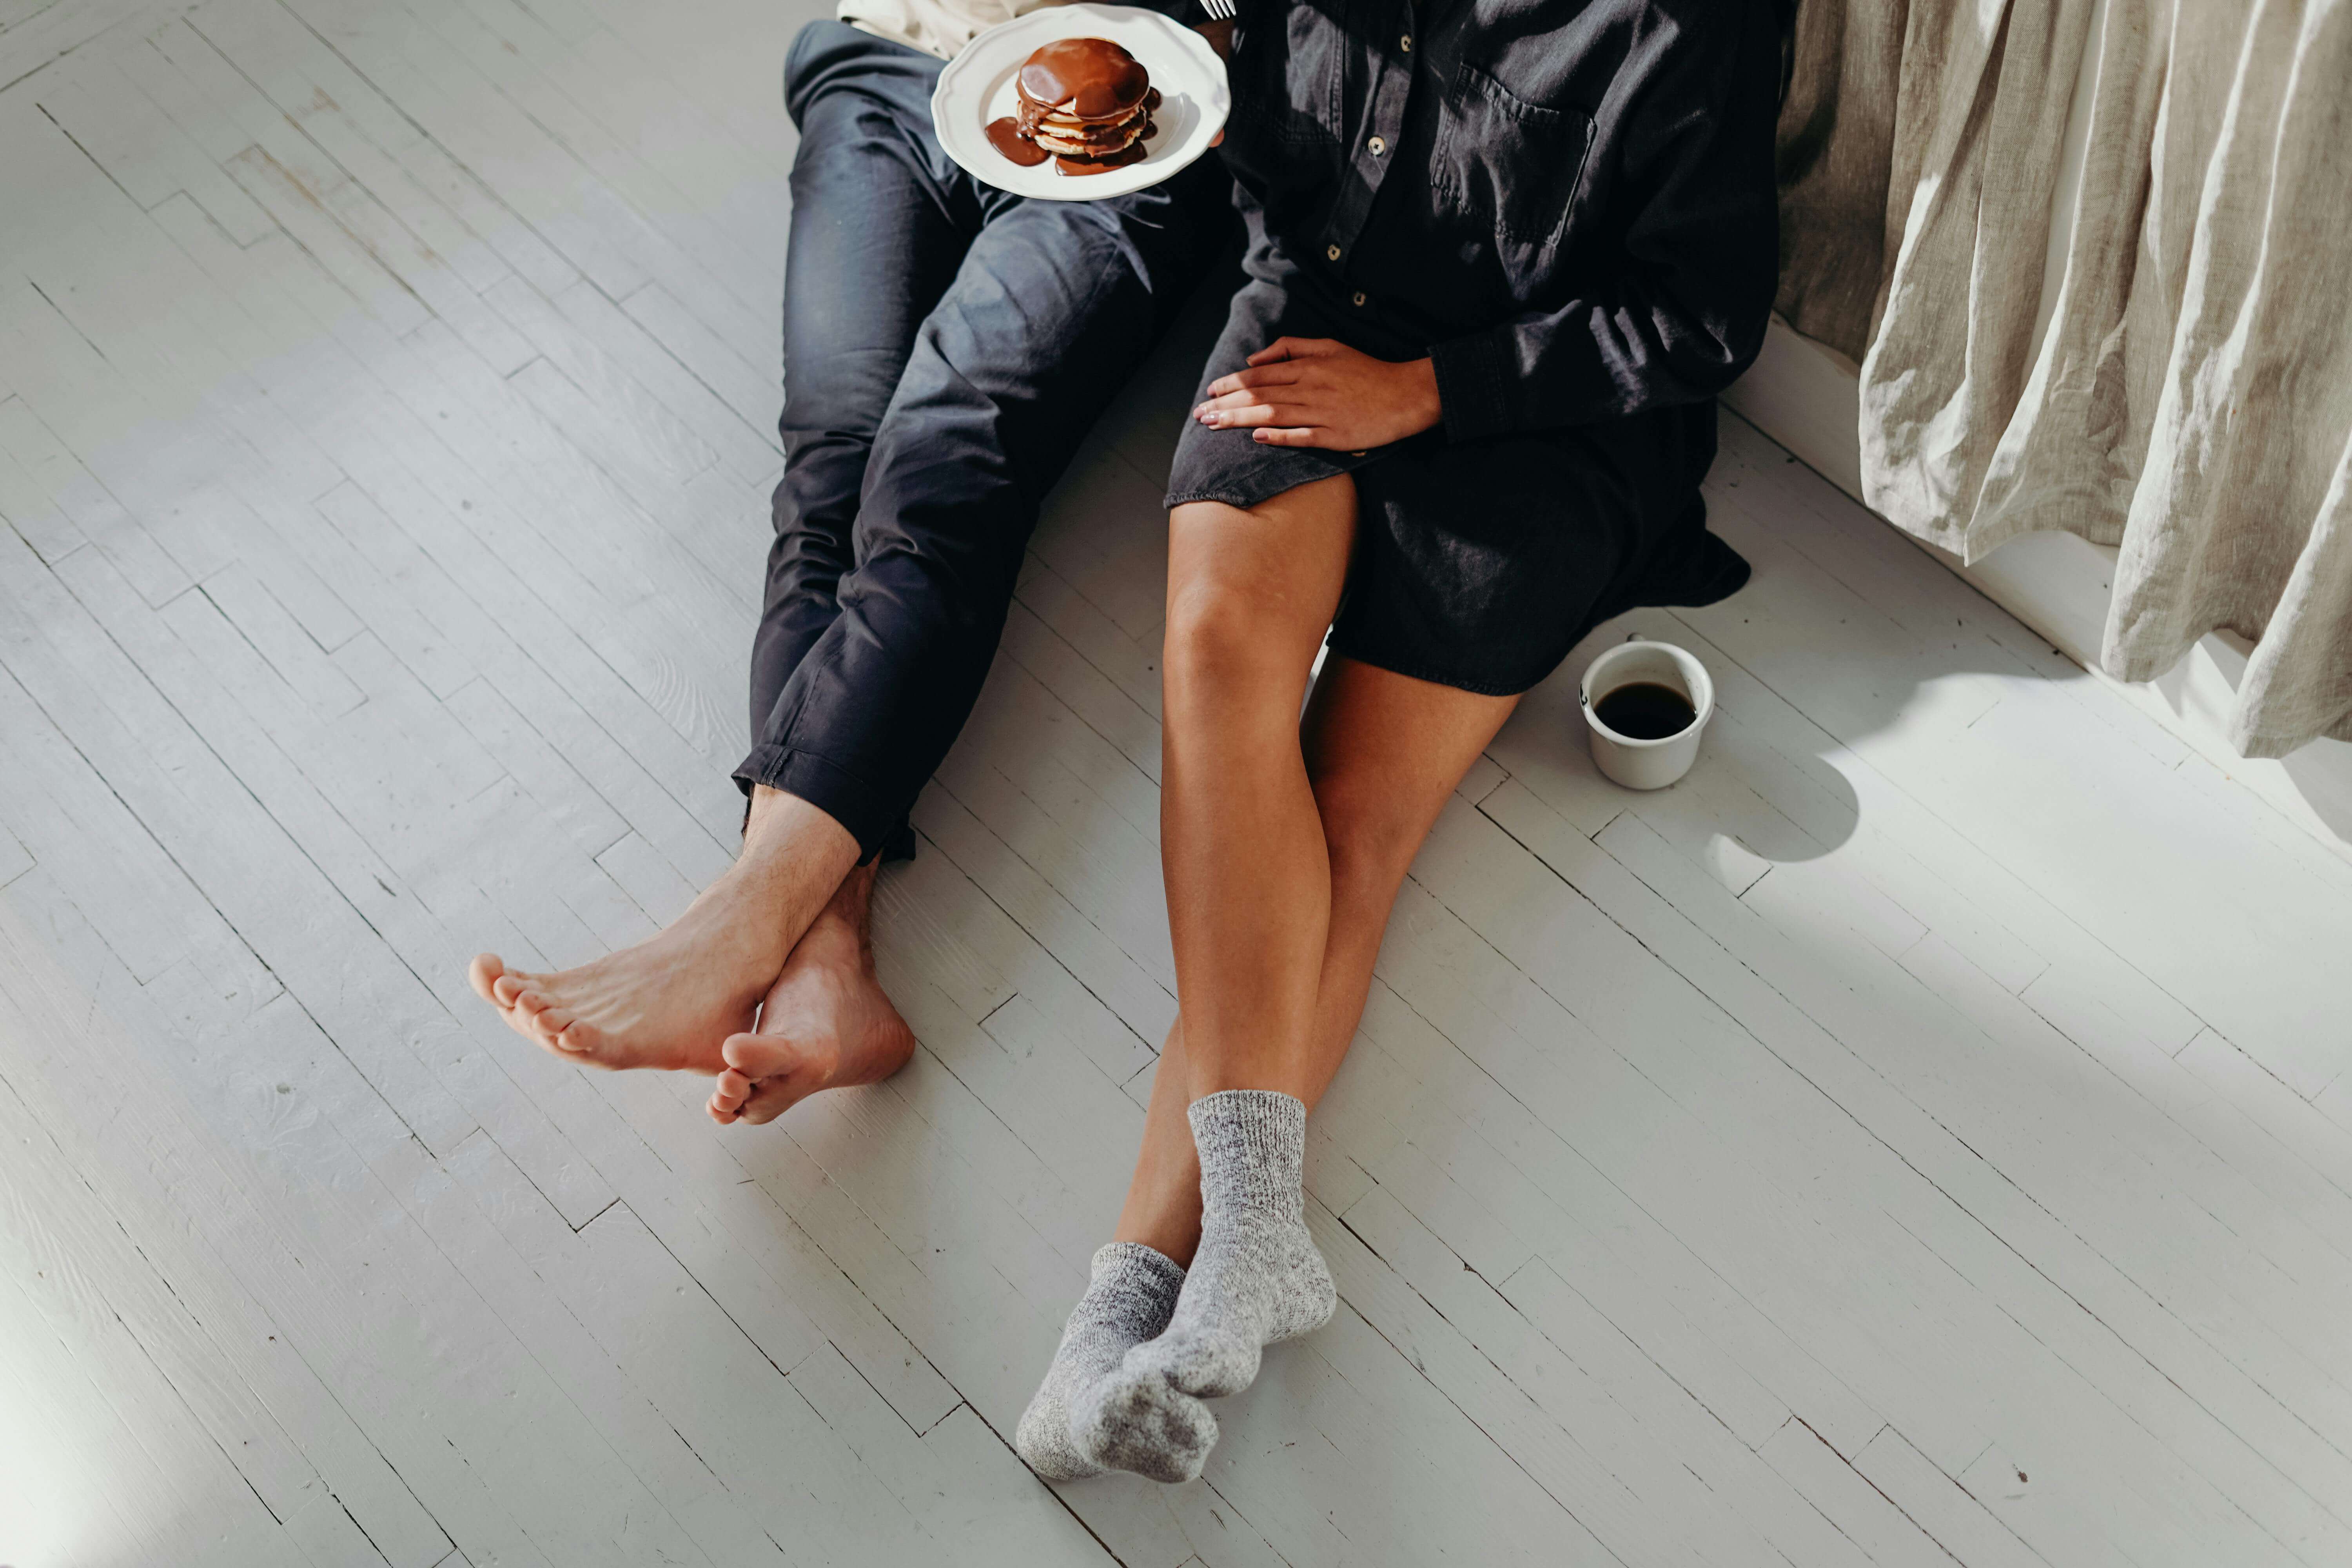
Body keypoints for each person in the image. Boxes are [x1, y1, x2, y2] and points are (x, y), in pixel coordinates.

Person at [1016, 0, 1784, 1484]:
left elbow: (1702, 320)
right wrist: (1202, 72)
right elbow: (1257, 104)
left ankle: (1123, 1308)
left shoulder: (1693, 22)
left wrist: (1428, 394)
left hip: (1540, 413)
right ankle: (1235, 1248)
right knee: (1212, 659)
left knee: (1349, 817)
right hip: (1320, 313)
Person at [467, 0, 1234, 1122]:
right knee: (830, 466)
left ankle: (735, 927)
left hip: (1144, 109)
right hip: (896, 57)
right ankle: (825, 970)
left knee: (942, 462)